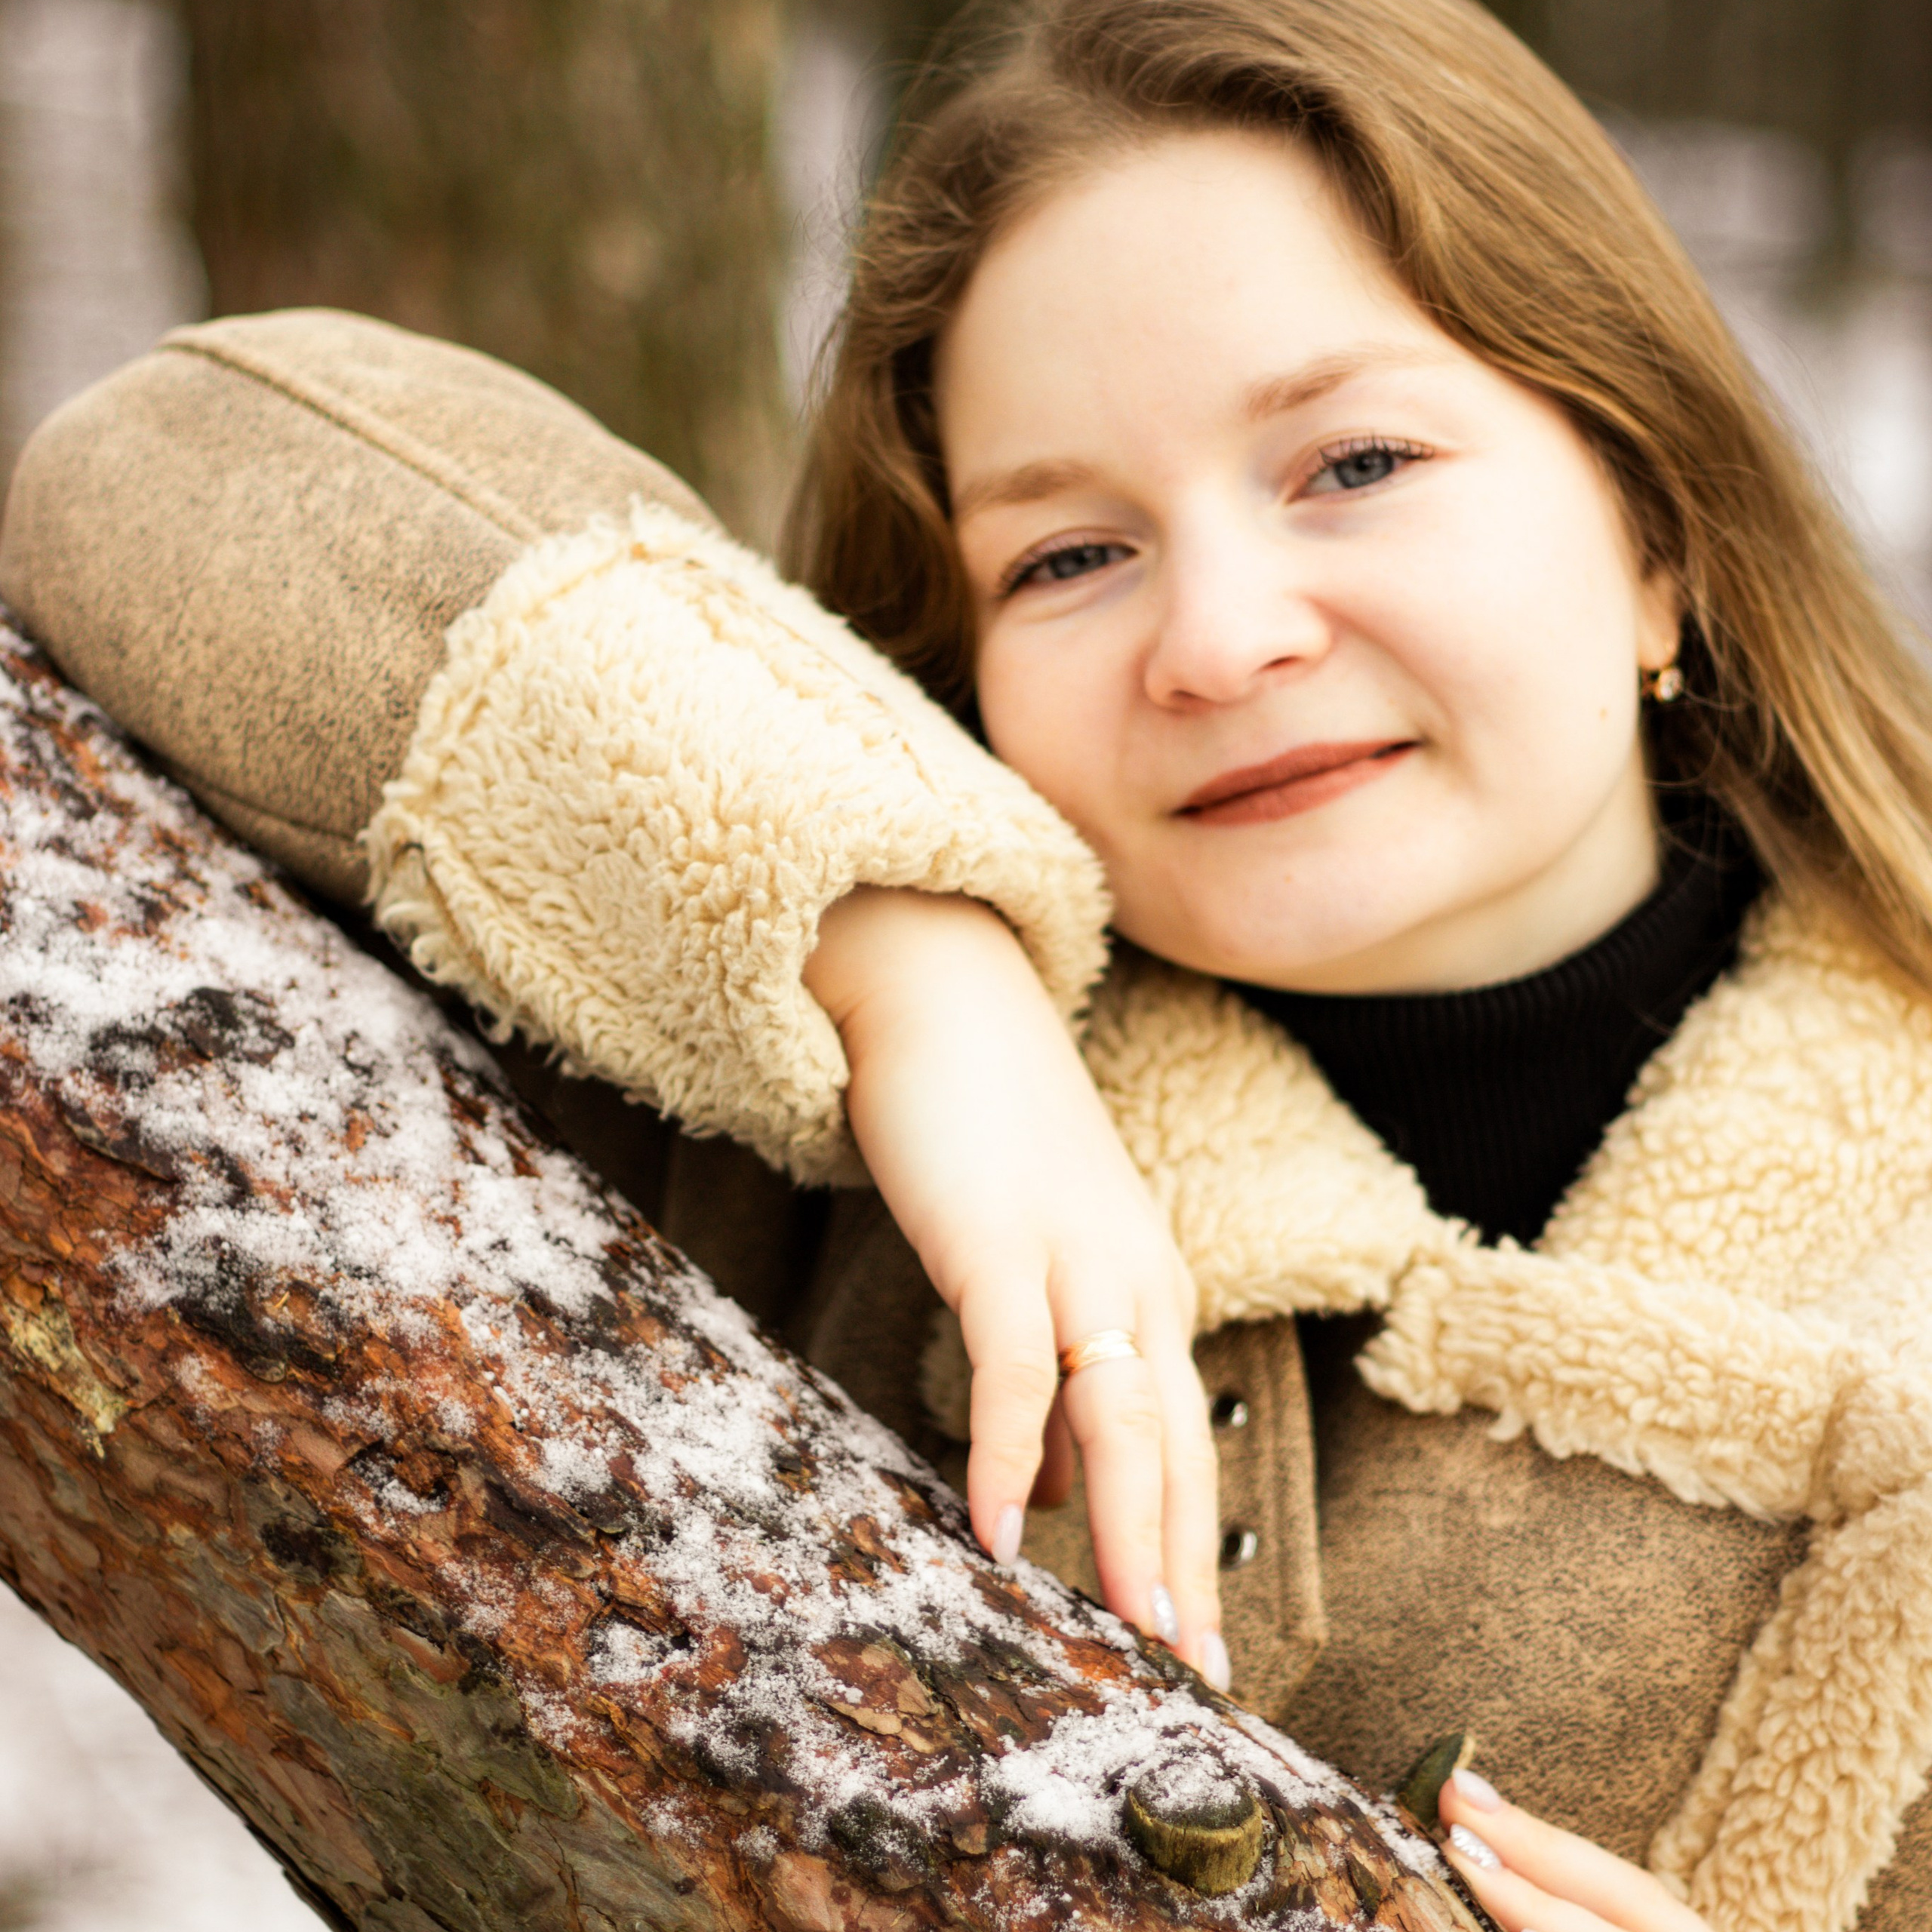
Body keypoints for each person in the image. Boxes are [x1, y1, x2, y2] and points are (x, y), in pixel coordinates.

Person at [6, 0, 1932, 1927]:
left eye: (1350, 462)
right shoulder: (817, 1120)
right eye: (1065, 557)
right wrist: (901, 949)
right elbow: (165, 459)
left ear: (1656, 532)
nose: (1218, 635)